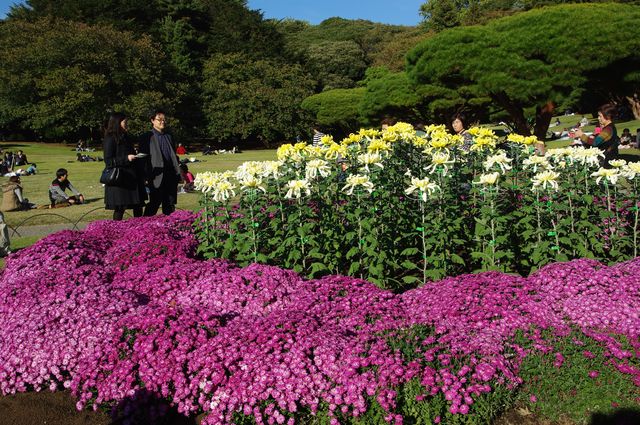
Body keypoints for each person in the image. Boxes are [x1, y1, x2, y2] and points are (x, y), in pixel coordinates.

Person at [103, 112, 146, 221]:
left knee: (138, 205)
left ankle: (139, 228)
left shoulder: (127, 136)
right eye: (124, 122)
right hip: (120, 179)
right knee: (120, 208)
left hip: (132, 177)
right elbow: (108, 160)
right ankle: (117, 229)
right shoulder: (110, 138)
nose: (127, 124)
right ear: (117, 122)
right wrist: (126, 158)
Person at [140, 109, 181, 216]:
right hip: (156, 175)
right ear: (152, 120)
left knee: (170, 204)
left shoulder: (169, 136)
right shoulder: (147, 137)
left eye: (164, 120)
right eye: (159, 120)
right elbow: (142, 158)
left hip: (170, 174)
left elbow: (173, 155)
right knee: (154, 203)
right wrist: (145, 176)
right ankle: (145, 224)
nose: (162, 122)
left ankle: (169, 224)